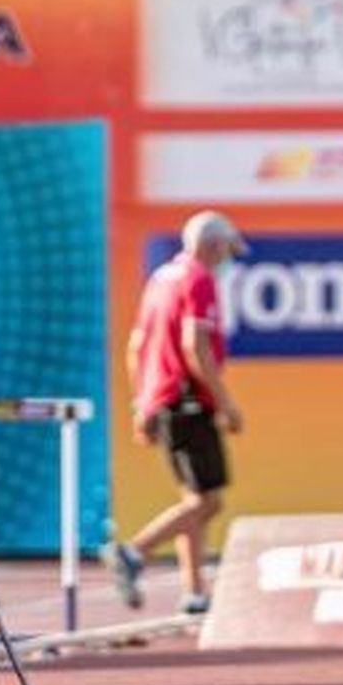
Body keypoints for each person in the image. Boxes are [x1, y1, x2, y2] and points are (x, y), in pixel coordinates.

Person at [101, 209, 247, 615]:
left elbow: (136, 347)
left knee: (192, 498)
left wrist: (141, 404)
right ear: (213, 245)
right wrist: (224, 402)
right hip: (187, 400)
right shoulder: (199, 279)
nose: (227, 260)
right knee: (209, 501)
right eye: (227, 250)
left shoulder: (161, 279)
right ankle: (134, 552)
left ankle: (195, 592)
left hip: (163, 399)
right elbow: (194, 347)